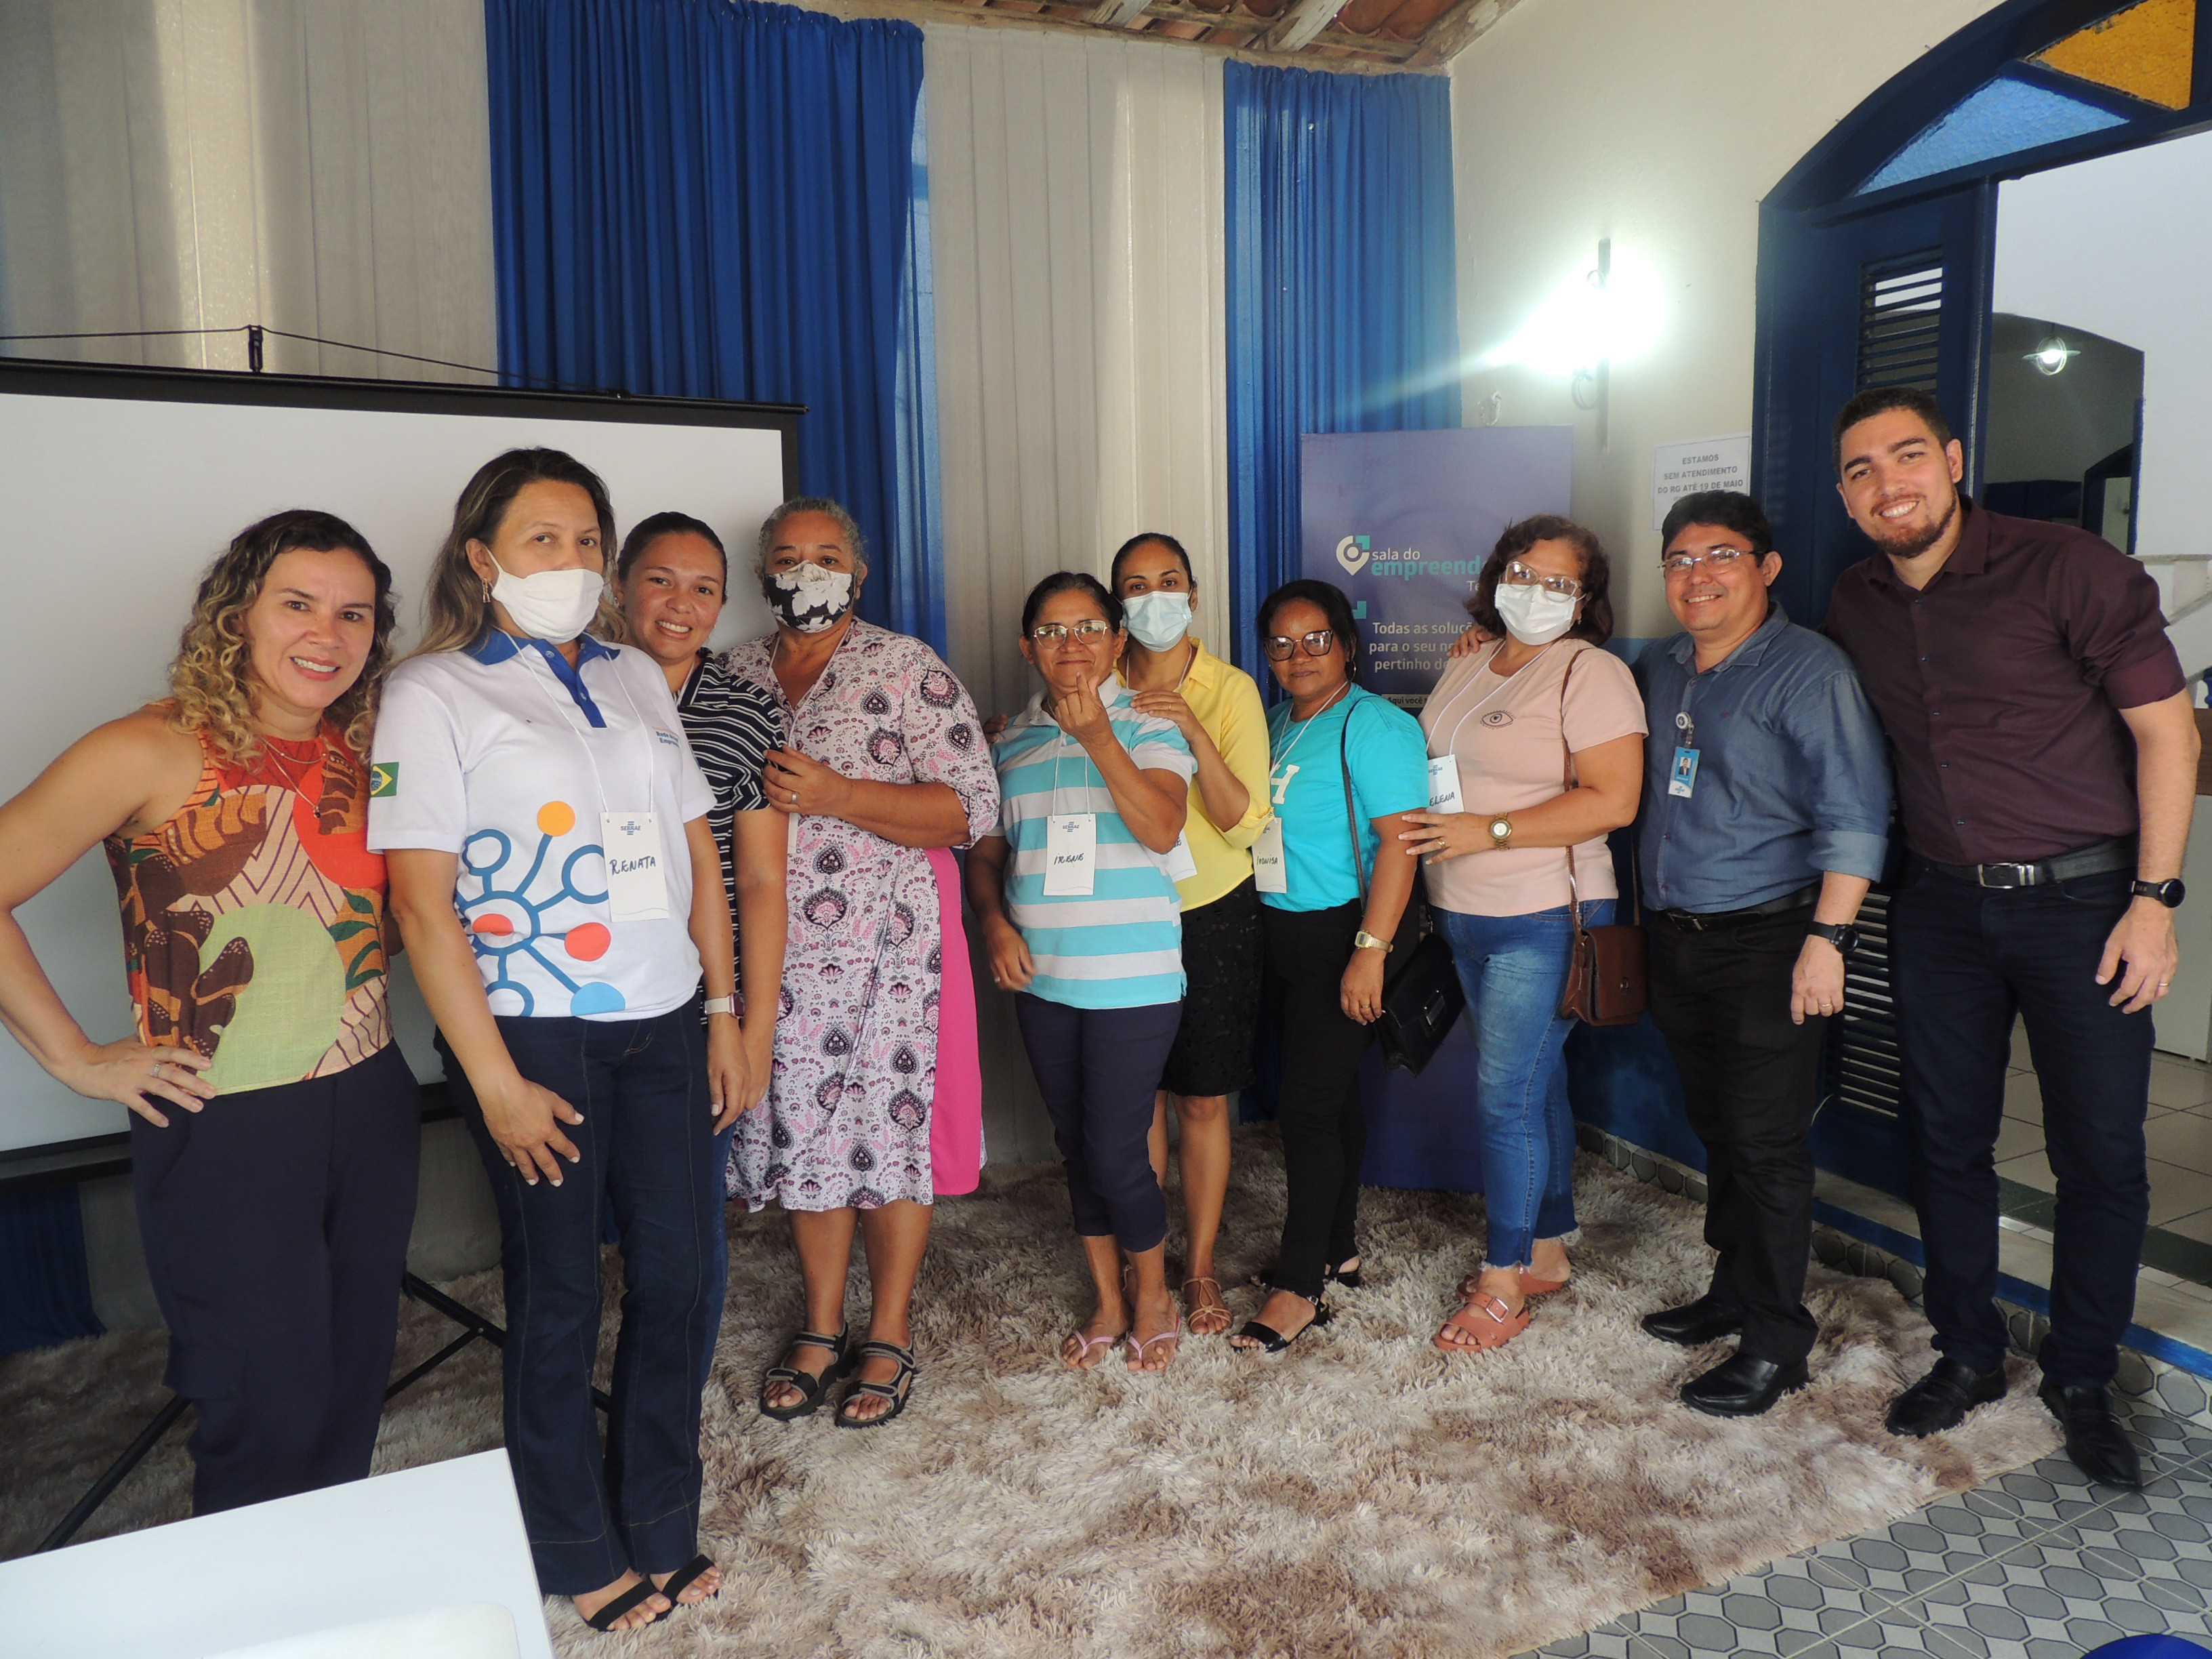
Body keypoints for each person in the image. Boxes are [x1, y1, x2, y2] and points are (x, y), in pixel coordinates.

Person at [373, 449, 750, 1633]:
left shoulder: (635, 674)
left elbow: (695, 852)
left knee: (682, 1278)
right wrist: (493, 1082)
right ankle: (574, 1541)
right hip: (536, 1034)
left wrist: (724, 1012)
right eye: (544, 538)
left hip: (666, 1019)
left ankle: (660, 1513)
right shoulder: (430, 691)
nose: (573, 562)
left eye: (589, 541)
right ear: (481, 557)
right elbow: (420, 905)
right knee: (559, 1292)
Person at [0, 510, 416, 1518]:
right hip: (225, 1121)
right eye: (299, 604)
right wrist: (75, 1058)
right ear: (236, 616)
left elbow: (367, 926)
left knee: (352, 1378)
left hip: (372, 1098)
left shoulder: (370, 753)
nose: (328, 633)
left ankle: (329, 1583)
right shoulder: (147, 749)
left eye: (354, 613)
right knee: (262, 1407)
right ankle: (254, 1590)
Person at [1824, 387, 2198, 1487]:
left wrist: (2154, 900)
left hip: (2088, 904)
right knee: (1944, 1140)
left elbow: (2165, 735)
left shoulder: (2067, 568)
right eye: (1860, 470)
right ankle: (1969, 1352)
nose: (1887, 484)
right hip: (1938, 906)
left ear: (1952, 460)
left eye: (1905, 456)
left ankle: (2080, 1375)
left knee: (2099, 1153)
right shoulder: (1853, 601)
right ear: (1845, 497)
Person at [722, 499, 1000, 1428]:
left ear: (860, 572)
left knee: (890, 1135)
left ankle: (888, 1329)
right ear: (762, 574)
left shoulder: (907, 668)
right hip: (775, 961)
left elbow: (971, 810)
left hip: (893, 957)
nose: (806, 573)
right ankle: (820, 1323)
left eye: (827, 556)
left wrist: (841, 794)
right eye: (787, 557)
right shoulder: (732, 673)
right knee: (806, 1131)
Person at [1631, 489, 1889, 1418]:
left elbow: (1857, 815)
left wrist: (1828, 941)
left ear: (1766, 568)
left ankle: (1778, 1343)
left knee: (1769, 1143)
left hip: (1773, 939)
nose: (1697, 576)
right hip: (1677, 938)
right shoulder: (1662, 668)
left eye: (1720, 556)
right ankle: (1734, 1288)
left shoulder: (1810, 671)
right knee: (1719, 1127)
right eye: (1680, 560)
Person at [1401, 516, 1645, 1355]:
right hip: (1462, 913)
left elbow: (1614, 801)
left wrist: (1490, 833)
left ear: (1584, 599)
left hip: (1544, 916)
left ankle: (1503, 1282)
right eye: (1521, 573)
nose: (1534, 592)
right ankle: (1545, 1249)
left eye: (1557, 582)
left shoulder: (1590, 671)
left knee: (1505, 1099)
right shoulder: (1469, 661)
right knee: (1535, 1088)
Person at [968, 572, 1193, 1371]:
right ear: (1028, 648)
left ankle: (1154, 1293)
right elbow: (987, 854)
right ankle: (1107, 1299)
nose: (1073, 644)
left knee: (1116, 1147)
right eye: (1053, 631)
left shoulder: (1153, 725)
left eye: (1090, 627)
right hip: (1043, 977)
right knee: (1075, 1143)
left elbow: (1162, 827)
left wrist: (1099, 734)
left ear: (1118, 640)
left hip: (1134, 976)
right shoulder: (1008, 743)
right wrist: (994, 922)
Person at [1231, 579, 1429, 1355]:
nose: (1299, 656)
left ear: (1347, 645)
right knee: (1332, 1096)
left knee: (1307, 1112)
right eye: (1281, 644)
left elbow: (1403, 845)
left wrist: (1370, 951)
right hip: (1284, 931)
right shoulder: (1277, 721)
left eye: (1316, 640)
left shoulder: (1374, 725)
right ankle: (1338, 1247)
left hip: (1349, 933)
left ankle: (1299, 1286)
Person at [614, 512, 788, 1385]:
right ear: (620, 586)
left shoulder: (747, 710)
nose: (680, 604)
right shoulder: (568, 691)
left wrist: (751, 1031)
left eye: (704, 589)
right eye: (660, 580)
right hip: (579, 986)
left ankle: (667, 1400)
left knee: (682, 1225)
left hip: (698, 998)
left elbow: (759, 881)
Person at [1109, 533, 1272, 1338]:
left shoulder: (1230, 688)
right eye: (1136, 586)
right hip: (1122, 910)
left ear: (1195, 594)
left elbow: (1245, 825)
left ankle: (1201, 1265)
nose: (1155, 599)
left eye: (1168, 581)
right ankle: (1146, 1265)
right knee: (1138, 1098)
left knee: (1204, 1098)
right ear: (1118, 604)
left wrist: (1194, 732)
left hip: (1211, 909)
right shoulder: (1098, 681)